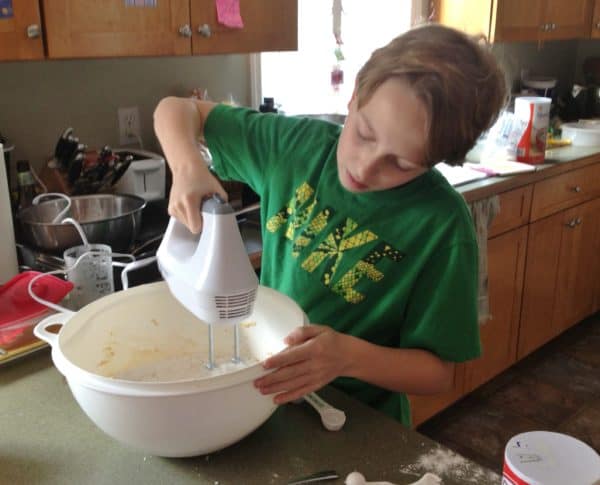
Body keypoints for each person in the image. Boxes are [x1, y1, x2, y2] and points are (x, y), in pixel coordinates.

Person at [153, 23, 507, 427]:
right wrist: (187, 167)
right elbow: (175, 108)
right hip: (266, 399)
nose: (365, 167)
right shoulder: (295, 147)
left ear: (436, 159)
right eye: (364, 134)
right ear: (356, 95)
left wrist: (347, 357)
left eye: (402, 164)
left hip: (360, 424)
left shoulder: (442, 226)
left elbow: (438, 373)